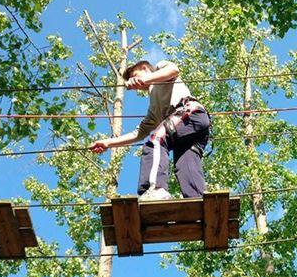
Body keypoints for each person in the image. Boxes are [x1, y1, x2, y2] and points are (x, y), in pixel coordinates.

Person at [89, 60, 210, 201]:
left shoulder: (160, 68)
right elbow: (138, 133)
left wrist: (145, 79)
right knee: (185, 165)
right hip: (190, 127)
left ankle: (155, 189)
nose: (137, 85)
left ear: (145, 68)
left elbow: (174, 70)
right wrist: (108, 143)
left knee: (156, 140)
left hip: (190, 113)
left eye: (135, 75)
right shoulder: (154, 110)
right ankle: (198, 200)